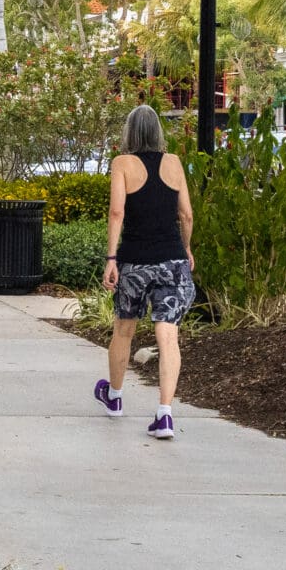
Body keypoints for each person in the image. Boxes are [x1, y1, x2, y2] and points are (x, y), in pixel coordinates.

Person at [96, 104, 195, 440]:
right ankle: (165, 414)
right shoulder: (174, 163)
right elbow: (186, 216)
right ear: (158, 132)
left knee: (124, 328)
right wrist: (186, 248)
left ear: (129, 133)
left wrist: (112, 258)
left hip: (135, 260)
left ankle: (115, 398)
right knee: (168, 337)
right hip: (172, 261)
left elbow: (116, 212)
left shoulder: (122, 163)